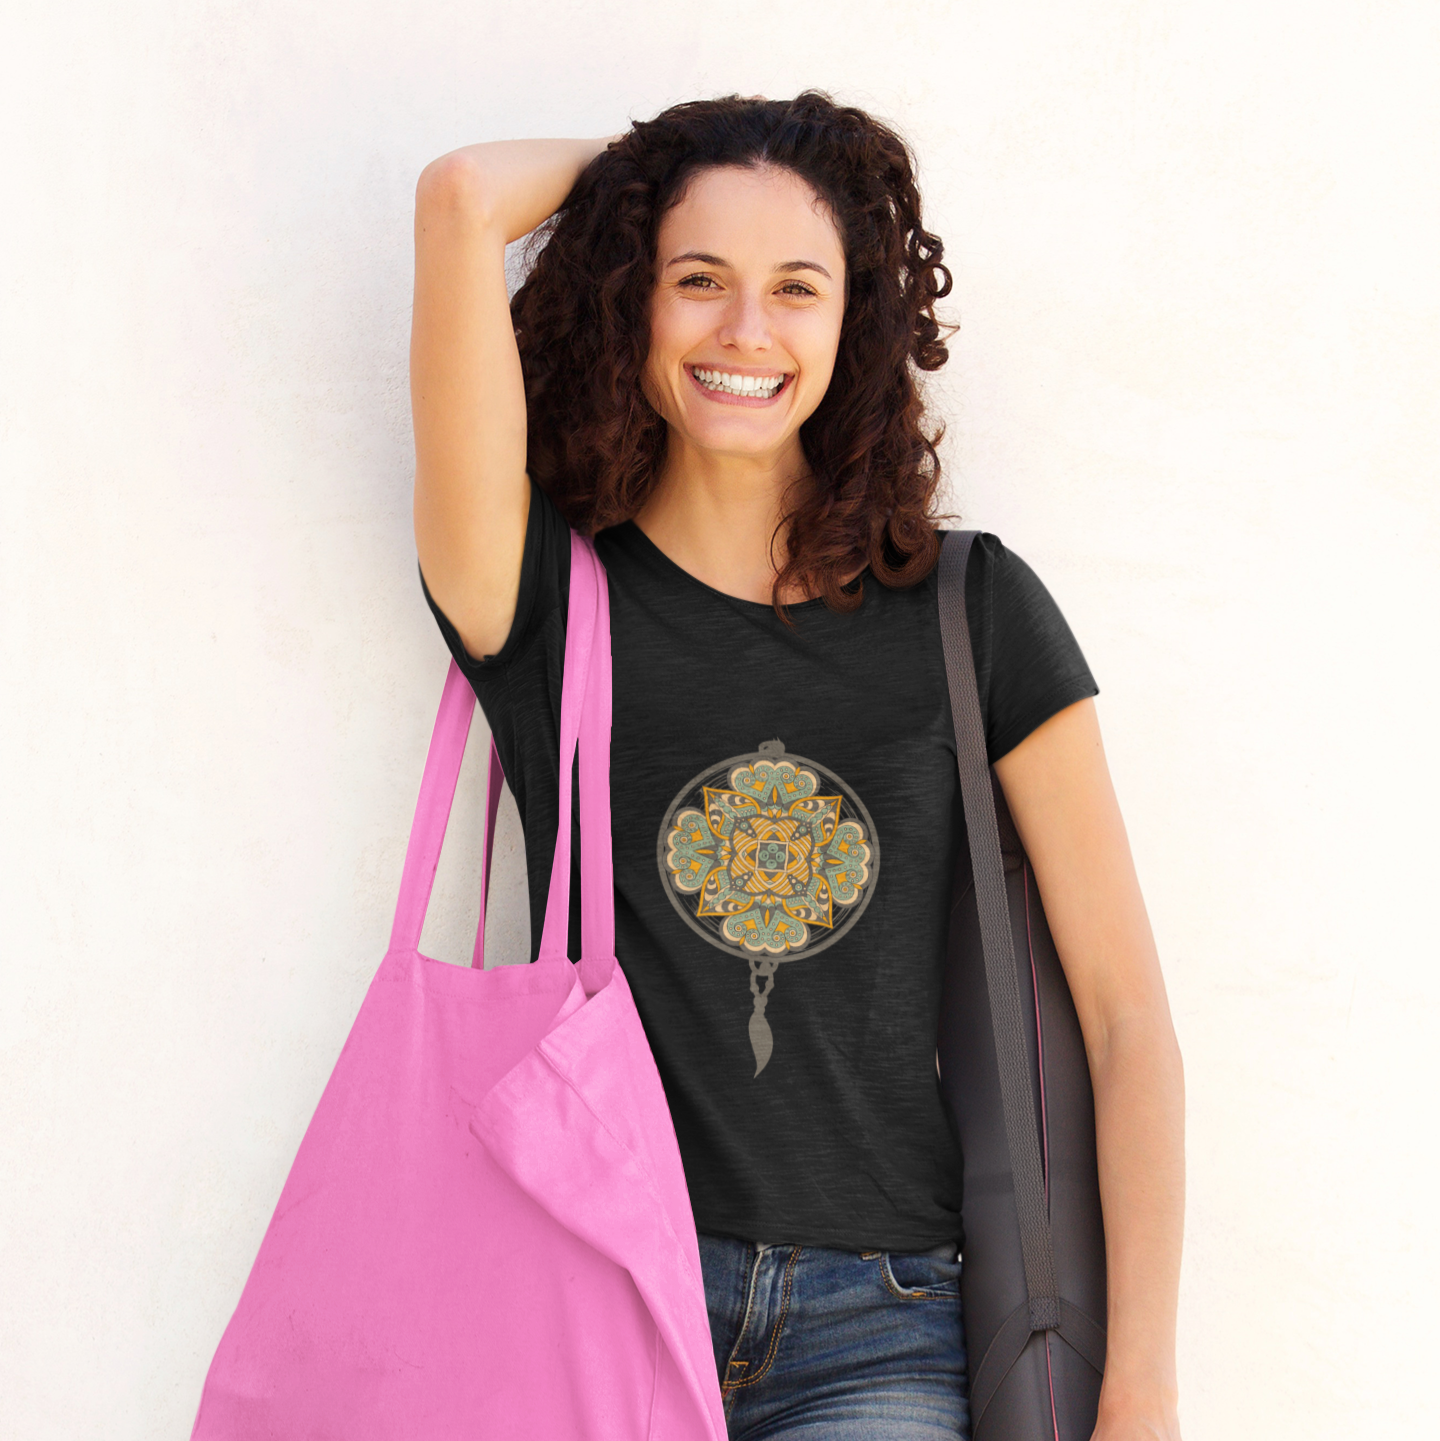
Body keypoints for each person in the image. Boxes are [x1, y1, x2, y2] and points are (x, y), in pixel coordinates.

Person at [410, 92, 1184, 1441]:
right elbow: (461, 198)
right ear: (626, 300)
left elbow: (1125, 1017)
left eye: (798, 287)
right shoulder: (549, 603)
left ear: (857, 323)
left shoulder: (970, 612)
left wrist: (1143, 1391)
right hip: (593, 1296)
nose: (746, 331)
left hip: (876, 1325)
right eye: (696, 279)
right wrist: (659, 175)